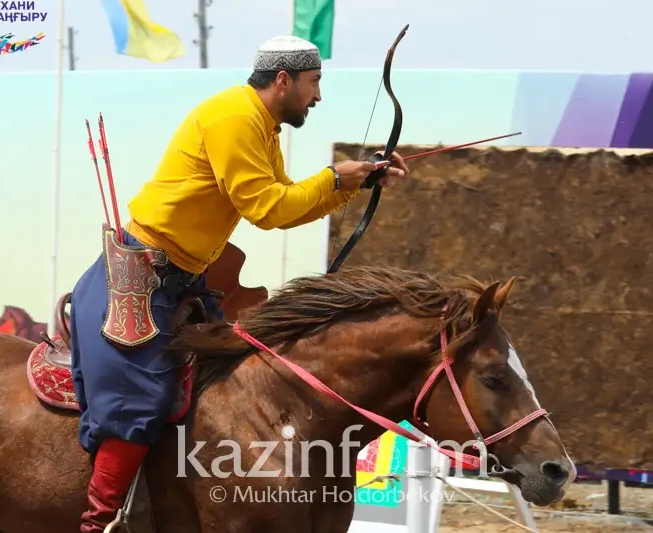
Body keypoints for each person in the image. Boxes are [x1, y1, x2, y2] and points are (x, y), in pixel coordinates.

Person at [69, 35, 410, 533]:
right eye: (314, 83)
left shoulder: (262, 124)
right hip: (141, 279)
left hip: (184, 279)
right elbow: (267, 209)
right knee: (139, 399)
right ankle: (99, 524)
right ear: (283, 80)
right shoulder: (234, 117)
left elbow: (285, 198)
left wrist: (351, 183)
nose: (318, 96)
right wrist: (336, 180)